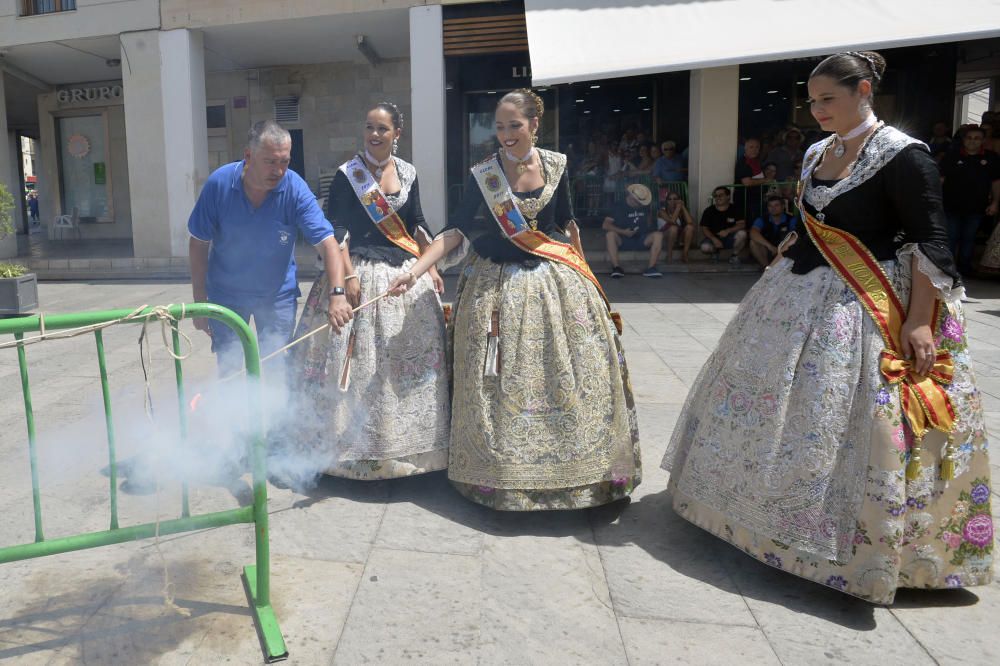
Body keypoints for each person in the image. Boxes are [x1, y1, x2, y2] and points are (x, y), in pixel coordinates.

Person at [661, 51, 992, 603]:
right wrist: (787, 254)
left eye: (827, 99)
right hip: (799, 291)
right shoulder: (820, 151)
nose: (816, 111)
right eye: (812, 101)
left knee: (852, 416)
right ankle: (752, 516)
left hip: (869, 306)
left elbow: (930, 240)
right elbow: (813, 221)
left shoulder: (904, 155)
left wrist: (917, 322)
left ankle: (858, 548)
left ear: (863, 90)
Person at [388, 89, 641, 511]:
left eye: (514, 126)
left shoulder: (556, 165)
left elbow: (566, 225)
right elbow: (455, 232)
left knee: (572, 371)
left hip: (556, 284)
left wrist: (592, 283)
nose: (505, 134)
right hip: (496, 286)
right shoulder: (483, 175)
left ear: (534, 125)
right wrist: (415, 270)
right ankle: (497, 478)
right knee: (497, 378)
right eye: (500, 126)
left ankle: (584, 474)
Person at [282, 102, 450, 480]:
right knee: (354, 364)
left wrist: (431, 264)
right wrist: (350, 276)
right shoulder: (348, 175)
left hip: (402, 271)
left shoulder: (408, 173)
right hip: (357, 268)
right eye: (369, 127)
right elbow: (335, 230)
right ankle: (345, 453)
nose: (374, 135)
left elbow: (417, 223)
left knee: (405, 361)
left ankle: (408, 451)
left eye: (382, 129)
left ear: (397, 134)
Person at [188, 120, 352, 377]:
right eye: (270, 161)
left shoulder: (294, 188)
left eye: (284, 161)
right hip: (226, 294)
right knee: (229, 367)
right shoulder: (219, 184)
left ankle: (274, 418)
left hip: (277, 296)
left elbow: (328, 244)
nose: (278, 170)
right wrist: (200, 302)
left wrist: (338, 294)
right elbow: (198, 243)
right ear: (248, 156)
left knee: (276, 368)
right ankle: (233, 417)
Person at [940, 125, 1000, 276]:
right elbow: (940, 179)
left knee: (969, 239)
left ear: (983, 141)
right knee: (951, 238)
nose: (972, 141)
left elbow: (996, 183)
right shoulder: (951, 156)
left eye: (977, 138)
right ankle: (949, 269)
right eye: (969, 138)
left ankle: (965, 269)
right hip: (951, 205)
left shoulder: (991, 158)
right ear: (963, 139)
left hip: (977, 207)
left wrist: (995, 202)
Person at [603, 183, 664, 278]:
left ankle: (651, 268)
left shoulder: (645, 206)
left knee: (658, 235)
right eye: (638, 202)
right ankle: (616, 268)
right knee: (610, 235)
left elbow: (649, 225)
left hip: (641, 239)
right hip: (623, 239)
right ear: (631, 197)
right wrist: (624, 232)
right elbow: (605, 225)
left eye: (641, 202)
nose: (640, 204)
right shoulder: (618, 206)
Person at [699, 186, 747, 264]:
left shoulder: (735, 209)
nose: (717, 198)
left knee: (742, 234)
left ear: (728, 196)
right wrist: (714, 239)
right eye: (716, 196)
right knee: (705, 247)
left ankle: (734, 255)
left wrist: (728, 231)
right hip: (713, 238)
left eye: (720, 195)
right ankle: (715, 253)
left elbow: (742, 224)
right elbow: (704, 228)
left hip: (730, 238)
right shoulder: (709, 210)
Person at [748, 195, 797, 268]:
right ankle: (767, 269)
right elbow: (753, 233)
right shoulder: (762, 219)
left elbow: (795, 236)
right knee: (753, 242)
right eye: (770, 206)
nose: (773, 208)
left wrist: (781, 249)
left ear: (783, 206)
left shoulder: (791, 219)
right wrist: (770, 246)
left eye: (776, 205)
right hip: (768, 251)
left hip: (785, 251)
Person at [657, 191, 695, 263]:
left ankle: (685, 254)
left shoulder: (680, 211)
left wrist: (683, 207)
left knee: (690, 227)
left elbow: (690, 222)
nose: (672, 201)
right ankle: (669, 254)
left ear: (679, 200)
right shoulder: (661, 211)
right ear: (667, 201)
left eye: (675, 199)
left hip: (677, 238)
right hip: (664, 239)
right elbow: (672, 221)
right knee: (673, 228)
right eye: (670, 199)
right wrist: (678, 208)